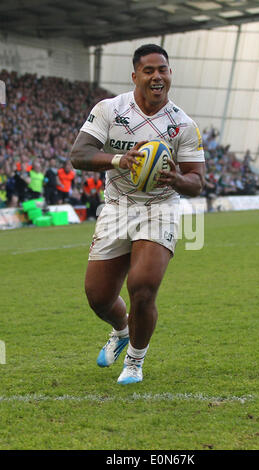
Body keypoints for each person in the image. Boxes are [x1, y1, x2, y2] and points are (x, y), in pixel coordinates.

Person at [70, 44, 205, 385]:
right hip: (116, 206)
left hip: (159, 207)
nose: (157, 76)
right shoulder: (110, 110)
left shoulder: (182, 125)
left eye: (163, 69)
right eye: (149, 70)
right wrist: (120, 160)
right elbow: (79, 154)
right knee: (98, 297)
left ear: (169, 75)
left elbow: (198, 181)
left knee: (143, 286)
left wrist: (176, 179)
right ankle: (120, 329)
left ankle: (134, 362)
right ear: (135, 76)